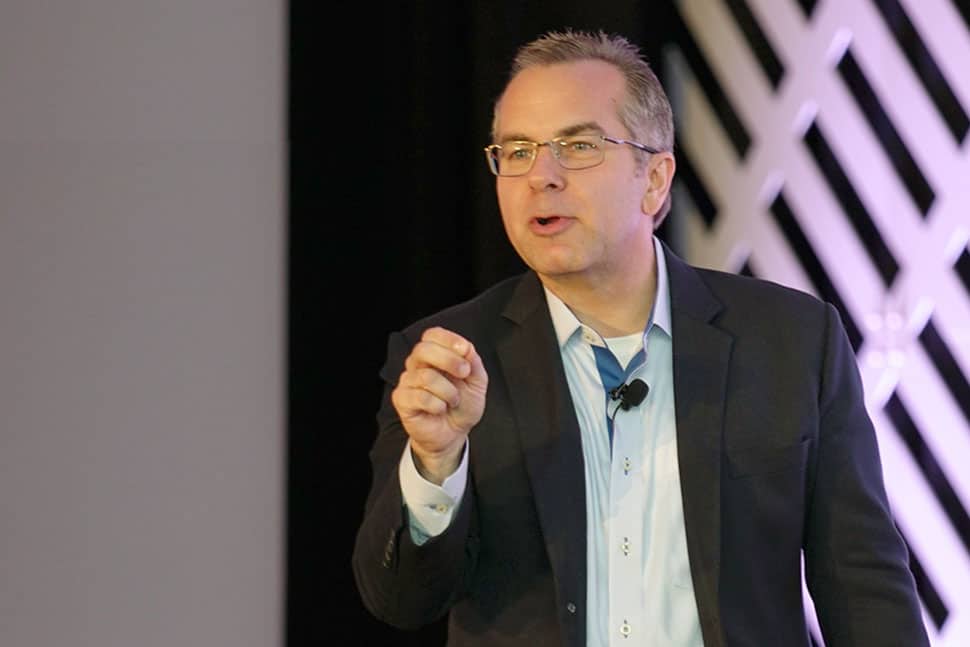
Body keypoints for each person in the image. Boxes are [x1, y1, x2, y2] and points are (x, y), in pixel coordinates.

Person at [352, 28, 930, 647]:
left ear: (654, 180)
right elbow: (400, 600)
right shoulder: (449, 361)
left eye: (576, 146)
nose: (540, 176)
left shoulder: (790, 342)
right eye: (516, 151)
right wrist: (437, 465)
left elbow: (864, 587)